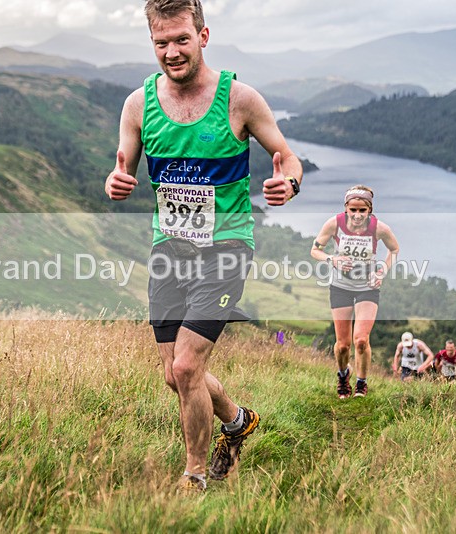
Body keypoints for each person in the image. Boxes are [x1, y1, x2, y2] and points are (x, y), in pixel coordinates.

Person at [105, 0, 303, 493]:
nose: (172, 52)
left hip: (225, 249)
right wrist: (118, 180)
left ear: (204, 36)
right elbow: (124, 165)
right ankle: (238, 421)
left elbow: (288, 157)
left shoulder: (239, 99)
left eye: (181, 39)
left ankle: (195, 477)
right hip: (168, 251)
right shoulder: (138, 104)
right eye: (161, 42)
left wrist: (289, 184)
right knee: (175, 375)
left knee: (189, 365)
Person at [311, 185, 399, 399]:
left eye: (362, 210)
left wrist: (382, 272)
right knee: (343, 346)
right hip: (340, 287)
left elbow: (394, 250)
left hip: (367, 288)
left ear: (370, 210)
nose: (358, 215)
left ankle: (361, 383)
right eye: (353, 210)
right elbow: (315, 250)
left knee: (361, 340)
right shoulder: (334, 224)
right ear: (346, 208)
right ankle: (343, 376)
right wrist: (333, 259)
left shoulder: (380, 229)